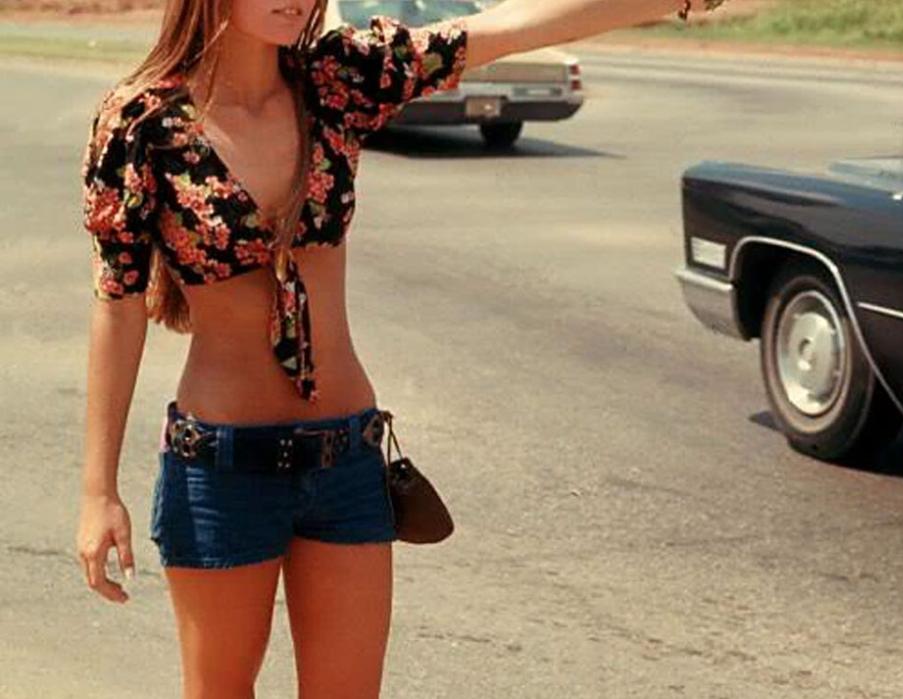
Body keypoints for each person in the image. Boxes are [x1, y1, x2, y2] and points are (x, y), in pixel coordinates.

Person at [74, 1, 726, 696]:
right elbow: (118, 306)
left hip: (346, 458)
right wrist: (97, 489)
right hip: (221, 468)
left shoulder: (336, 80)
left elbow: (503, 31)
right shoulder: (141, 122)